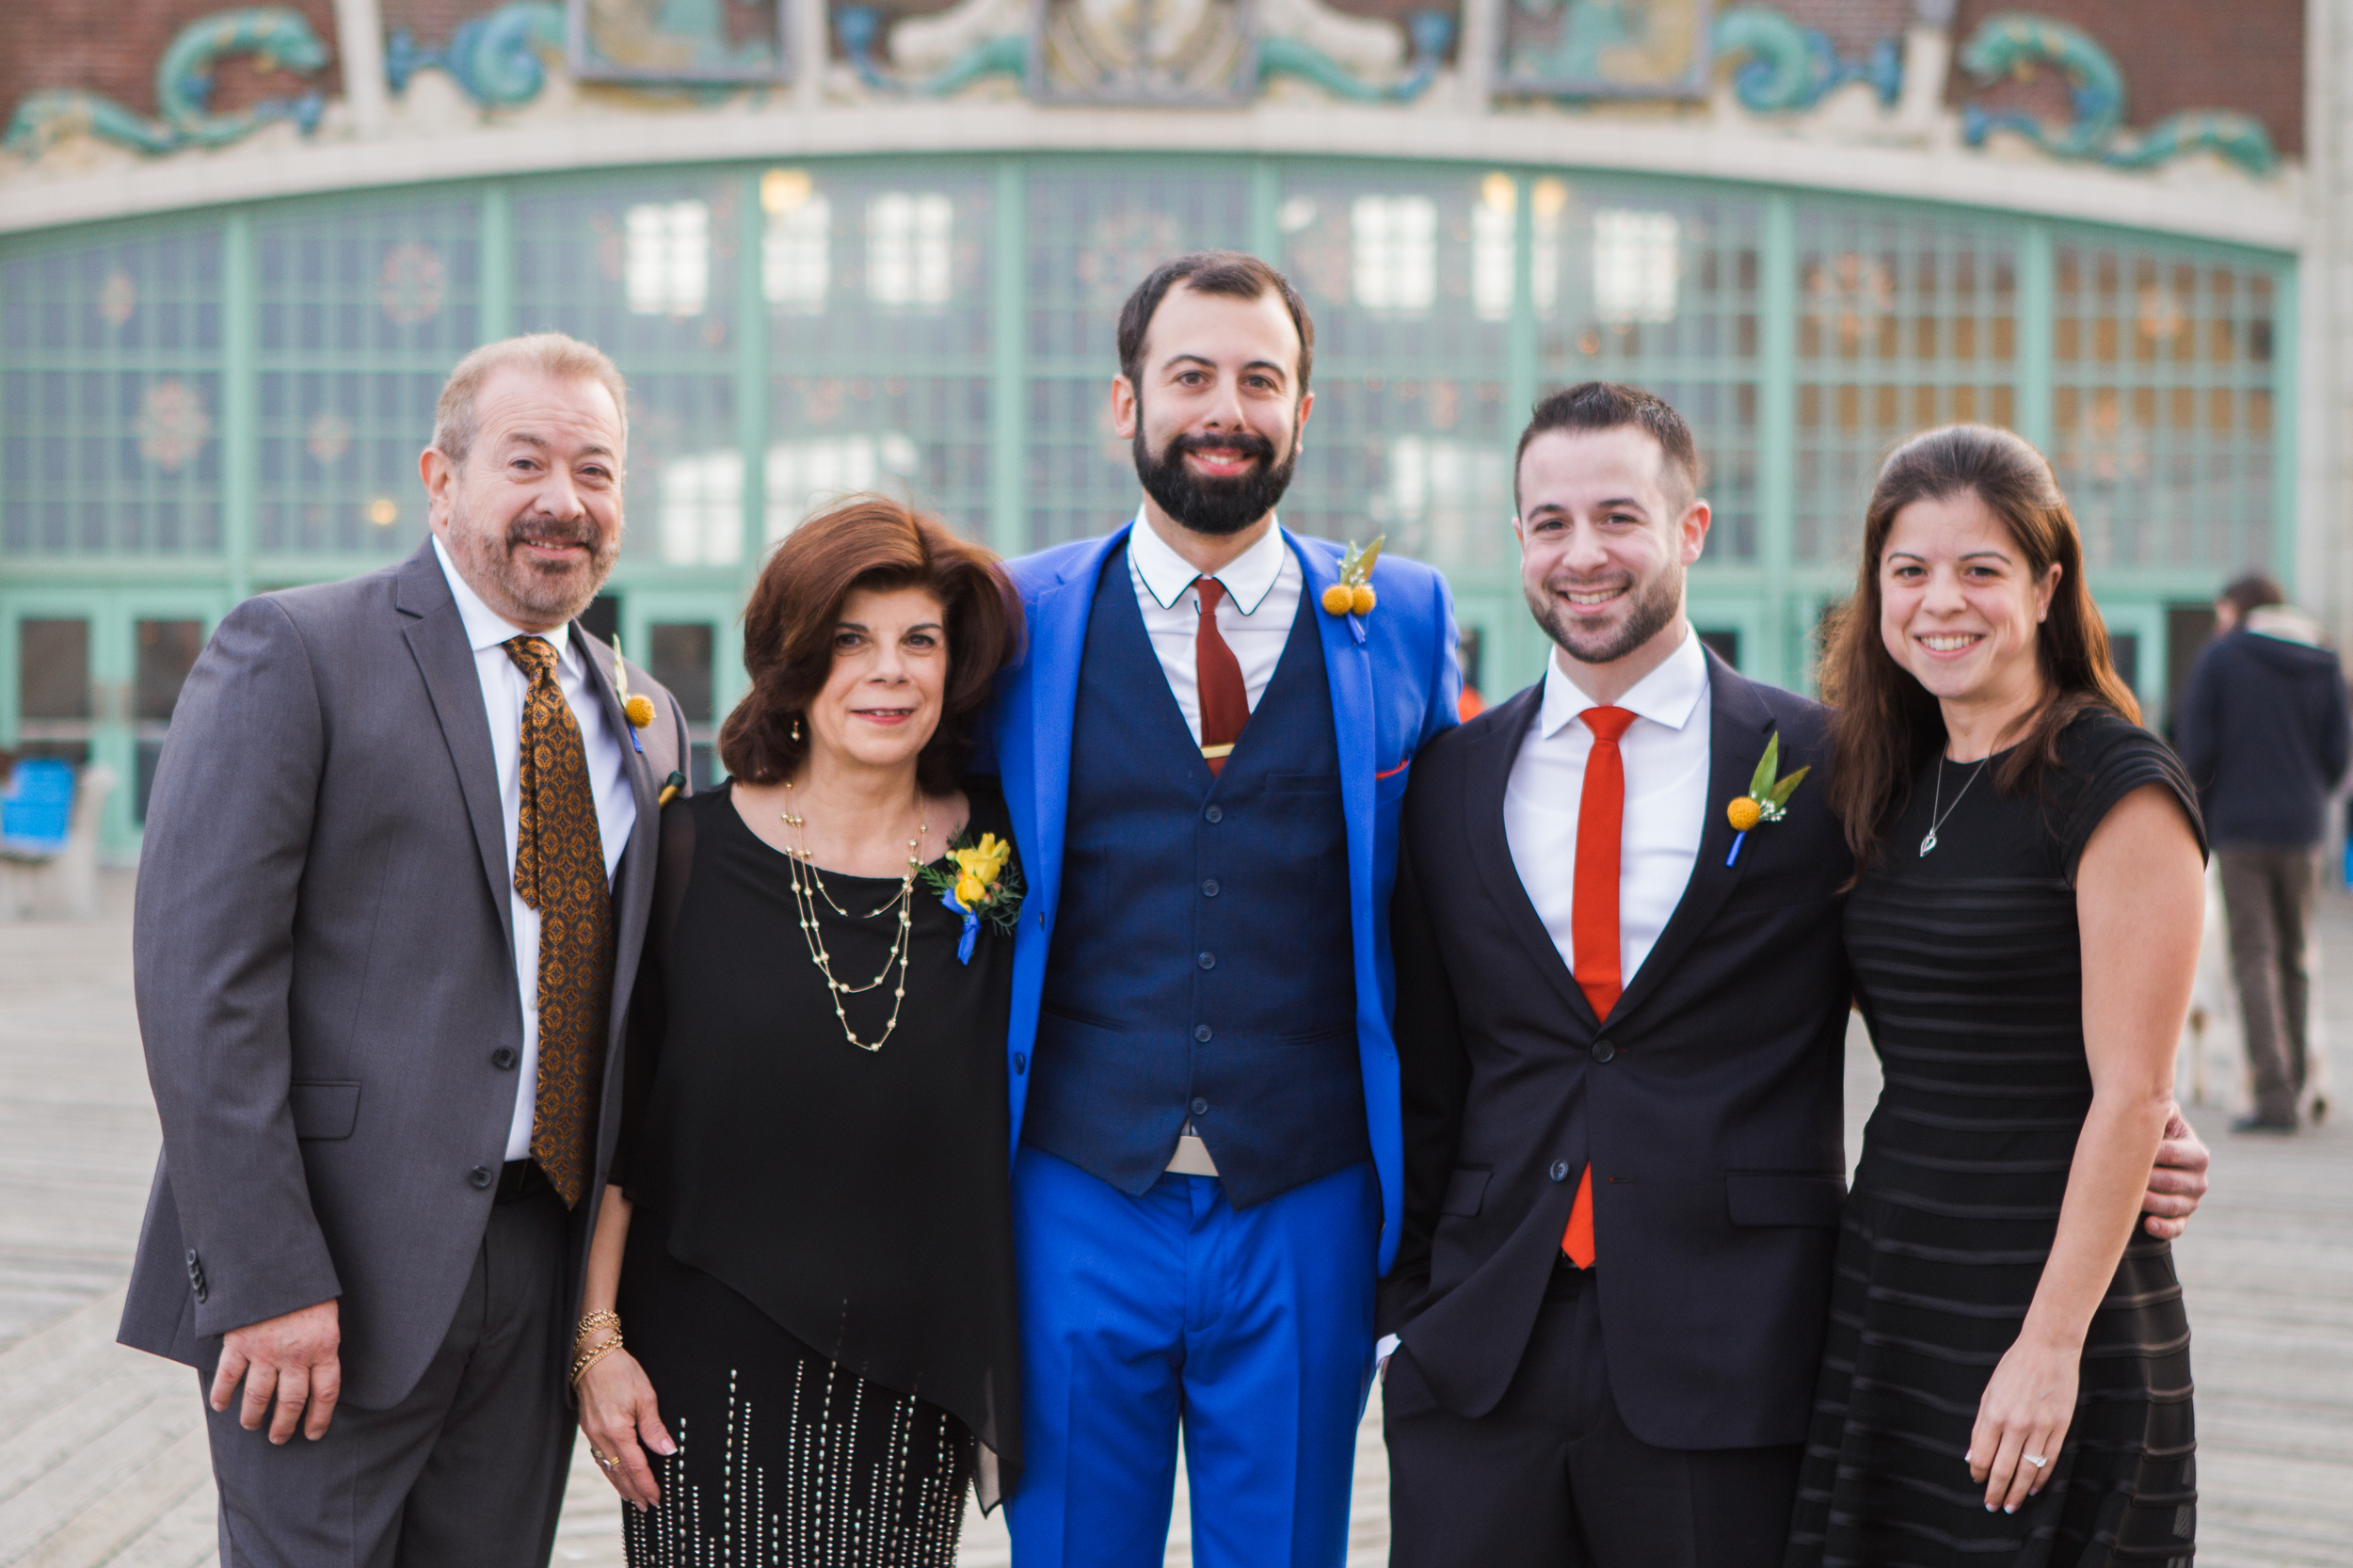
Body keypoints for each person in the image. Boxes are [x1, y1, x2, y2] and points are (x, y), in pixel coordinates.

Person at [1379, 386, 2210, 1568]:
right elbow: (1425, 1060)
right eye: (1550, 521)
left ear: (1692, 528)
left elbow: (1995, 968)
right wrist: (1406, 1315)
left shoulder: (1832, 768)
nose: (1585, 553)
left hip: (1734, 1351)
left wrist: (2149, 1125)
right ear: (1517, 540)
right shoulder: (1451, 780)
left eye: (1620, 514)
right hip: (1480, 1351)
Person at [119, 332, 689, 1565]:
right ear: (441, 477)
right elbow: (197, 985)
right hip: (332, 1272)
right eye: (525, 460)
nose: (563, 501)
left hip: (536, 1268)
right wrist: (266, 1274)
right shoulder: (299, 653)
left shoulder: (644, 722)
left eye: (596, 471)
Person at [986, 251, 1460, 1568]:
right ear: (1124, 403)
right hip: (1075, 1182)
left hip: (1306, 1190)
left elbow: (1454, 882)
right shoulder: (1018, 613)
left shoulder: (1406, 616)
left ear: (1306, 410)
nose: (1226, 407)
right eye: (1190, 374)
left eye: (1262, 379)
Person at [569, 497, 1026, 1564]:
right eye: (850, 640)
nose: (889, 672)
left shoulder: (1009, 849)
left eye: (921, 640)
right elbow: (622, 1128)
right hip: (702, 1352)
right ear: (795, 661)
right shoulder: (684, 849)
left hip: (916, 1368)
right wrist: (597, 1344)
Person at [1786, 424, 2205, 1562]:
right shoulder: (1890, 775)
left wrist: (2047, 1345)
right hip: (1896, 1281)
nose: (1942, 602)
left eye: (1981, 569)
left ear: (2046, 585)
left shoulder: (2115, 786)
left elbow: (2131, 1094)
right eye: (1909, 570)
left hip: (2047, 1293)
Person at [2176, 570, 2351, 1132]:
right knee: (2296, 955)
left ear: (2241, 609)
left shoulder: (2222, 658)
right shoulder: (2324, 660)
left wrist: (2203, 802)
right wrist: (2308, 795)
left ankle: (2273, 1094)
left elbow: (2193, 743)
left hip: (2240, 829)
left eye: (2224, 609)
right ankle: (2297, 1084)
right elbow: (2339, 750)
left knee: (2253, 956)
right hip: (2302, 832)